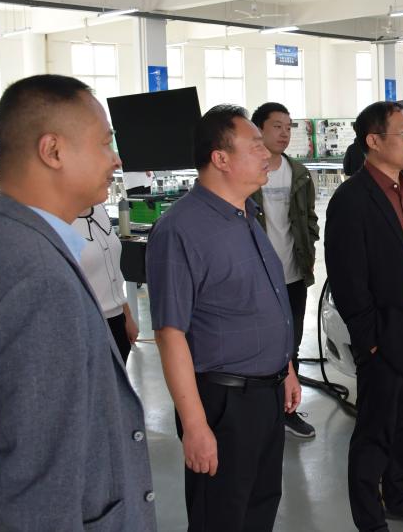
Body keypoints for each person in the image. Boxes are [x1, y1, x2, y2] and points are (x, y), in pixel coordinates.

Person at [0, 74, 155, 530]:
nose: (116, 158)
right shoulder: (39, 280)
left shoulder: (1, 237)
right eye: (104, 143)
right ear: (53, 151)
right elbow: (38, 491)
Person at [147, 104, 302, 532]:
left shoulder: (246, 214)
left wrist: (286, 368)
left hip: (268, 394)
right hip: (224, 402)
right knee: (221, 517)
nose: (267, 154)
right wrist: (195, 426)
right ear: (220, 158)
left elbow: (259, 301)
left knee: (260, 507)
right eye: (255, 146)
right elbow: (170, 334)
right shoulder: (180, 230)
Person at [324, 101, 403, 532]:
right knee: (374, 434)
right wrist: (370, 342)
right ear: (374, 141)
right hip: (384, 334)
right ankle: (370, 521)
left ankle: (399, 498)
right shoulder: (351, 200)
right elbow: (347, 281)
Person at [251, 102, 320, 439]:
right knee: (259, 343)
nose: (284, 133)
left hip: (293, 274)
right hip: (257, 277)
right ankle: (263, 410)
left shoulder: (298, 173)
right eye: (276, 126)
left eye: (288, 127)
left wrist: (310, 247)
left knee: (291, 343)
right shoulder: (248, 170)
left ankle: (286, 409)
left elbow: (310, 218)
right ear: (259, 130)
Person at [72, 202, 140, 363]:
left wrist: (127, 316)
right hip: (86, 324)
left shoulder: (99, 209)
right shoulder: (59, 217)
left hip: (117, 319)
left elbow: (114, 271)